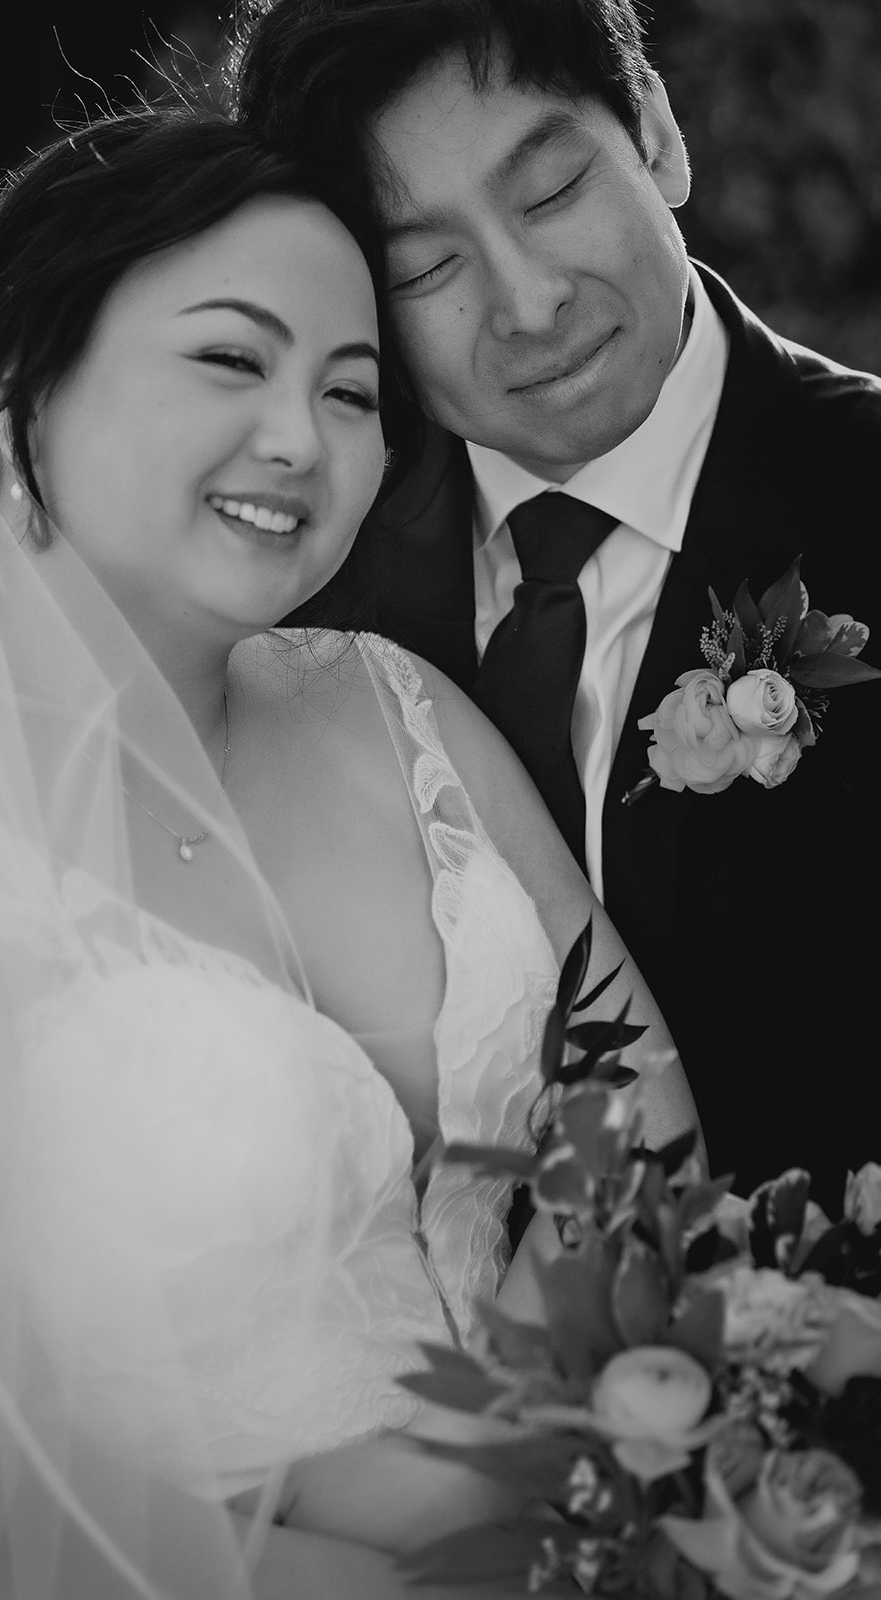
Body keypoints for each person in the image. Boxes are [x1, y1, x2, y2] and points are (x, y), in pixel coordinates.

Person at [0, 106, 695, 1599]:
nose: (300, 437)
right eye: (231, 358)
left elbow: (632, 1104)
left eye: (349, 391)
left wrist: (601, 1464)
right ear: (28, 389)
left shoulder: (391, 700)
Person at [227, 0, 881, 1215]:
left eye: (548, 192)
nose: (525, 304)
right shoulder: (299, 595)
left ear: (657, 136)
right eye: (424, 265)